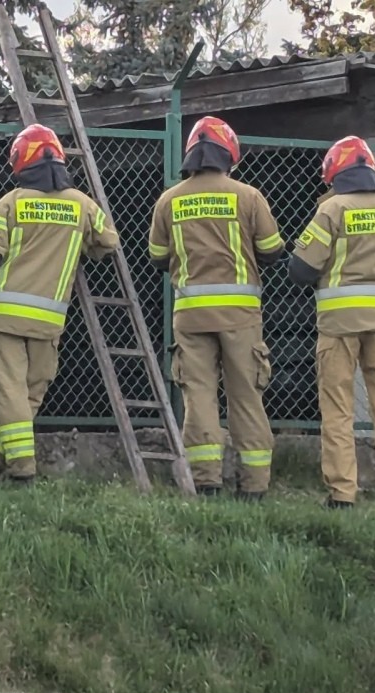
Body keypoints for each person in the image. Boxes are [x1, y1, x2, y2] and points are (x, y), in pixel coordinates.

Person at [0, 123, 119, 483]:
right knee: (29, 392)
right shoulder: (82, 205)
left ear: (20, 163)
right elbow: (108, 243)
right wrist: (83, 244)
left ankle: (21, 471)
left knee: (9, 392)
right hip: (49, 320)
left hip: (3, 317)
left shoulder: (11, 203)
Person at [148, 116, 284, 500]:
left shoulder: (169, 199)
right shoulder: (248, 196)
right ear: (229, 155)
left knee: (199, 396)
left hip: (190, 314)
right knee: (245, 395)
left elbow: (157, 257)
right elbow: (273, 250)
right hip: (240, 316)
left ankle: (206, 481)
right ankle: (254, 486)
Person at [288, 136, 375, 510]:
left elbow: (301, 269)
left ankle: (343, 495)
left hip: (339, 326)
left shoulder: (332, 210)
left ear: (333, 174)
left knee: (338, 409)